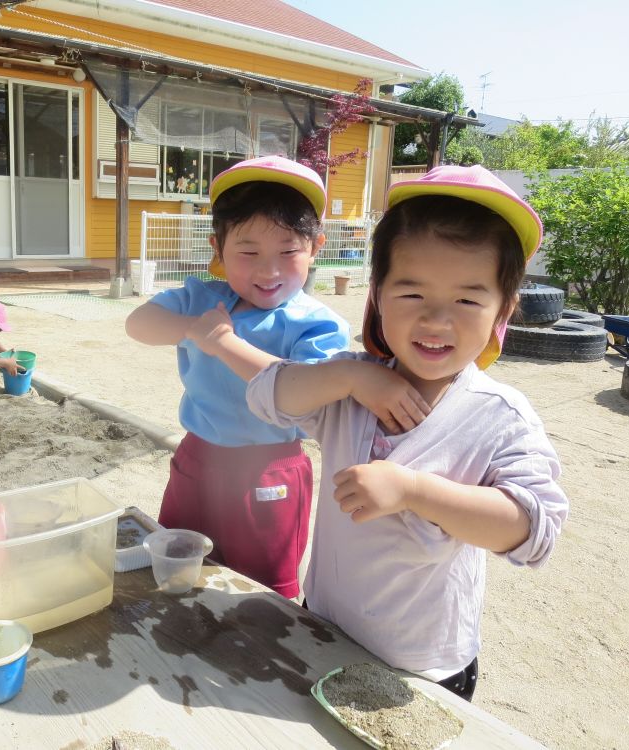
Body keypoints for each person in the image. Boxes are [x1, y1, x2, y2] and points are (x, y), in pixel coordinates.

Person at [239, 165, 569, 700]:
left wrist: (415, 491)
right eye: (412, 294)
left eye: (467, 300)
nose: (437, 321)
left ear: (503, 311)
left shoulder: (499, 415)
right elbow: (266, 395)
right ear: (377, 296)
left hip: (424, 668)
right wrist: (350, 374)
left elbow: (534, 533)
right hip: (324, 631)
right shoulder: (349, 389)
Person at [125, 155, 350, 598]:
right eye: (248, 253)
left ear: (316, 247)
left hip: (272, 470)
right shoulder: (203, 299)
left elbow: (299, 394)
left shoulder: (317, 324)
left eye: (288, 252)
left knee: (262, 588)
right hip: (197, 459)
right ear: (219, 249)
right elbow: (139, 324)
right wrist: (192, 329)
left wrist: (223, 342)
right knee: (180, 564)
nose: (269, 271)